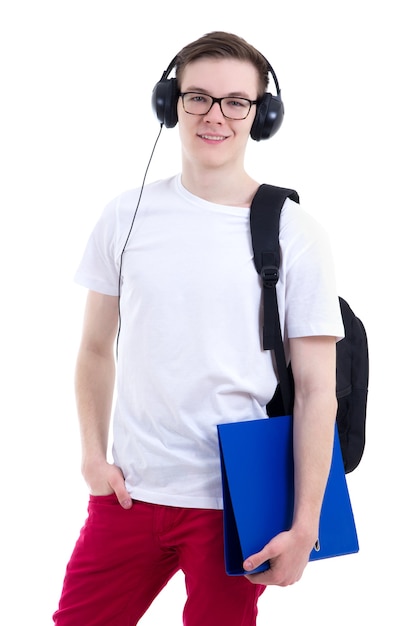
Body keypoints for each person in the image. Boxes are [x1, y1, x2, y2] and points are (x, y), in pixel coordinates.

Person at [53, 31, 344, 626]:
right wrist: (91, 458)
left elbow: (319, 390)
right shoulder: (125, 214)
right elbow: (92, 349)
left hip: (235, 505)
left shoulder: (296, 233)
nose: (216, 116)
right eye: (198, 98)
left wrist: (306, 526)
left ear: (261, 115)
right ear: (171, 104)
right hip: (128, 493)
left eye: (237, 101)